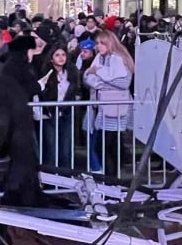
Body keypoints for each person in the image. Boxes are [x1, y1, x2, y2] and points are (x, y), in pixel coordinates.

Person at [84, 30, 135, 177]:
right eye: (97, 43)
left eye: (102, 43)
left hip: (116, 108)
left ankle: (112, 179)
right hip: (103, 108)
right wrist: (99, 78)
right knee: (106, 146)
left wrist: (98, 75)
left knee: (109, 146)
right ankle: (111, 178)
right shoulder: (99, 58)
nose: (98, 46)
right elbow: (87, 78)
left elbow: (123, 82)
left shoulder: (119, 59)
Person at [35, 44, 85, 170]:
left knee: (65, 149)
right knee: (51, 149)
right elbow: (38, 94)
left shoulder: (72, 73)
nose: (61, 57)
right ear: (51, 59)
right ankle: (50, 181)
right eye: (57, 55)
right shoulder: (45, 74)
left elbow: (77, 91)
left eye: (63, 54)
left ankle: (66, 179)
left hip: (66, 115)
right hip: (49, 115)